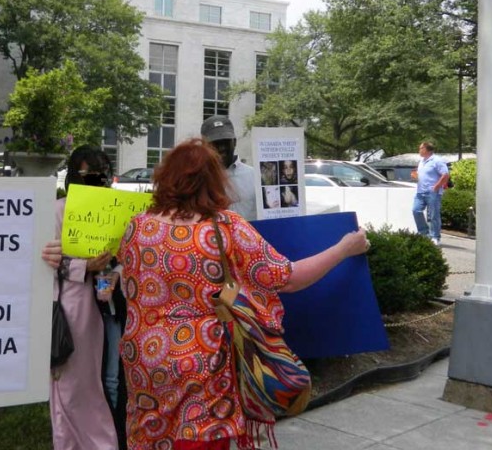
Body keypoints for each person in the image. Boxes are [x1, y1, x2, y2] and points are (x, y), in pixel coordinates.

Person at [117, 138, 368, 450]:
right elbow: (287, 278)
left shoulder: (137, 227)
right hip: (201, 361)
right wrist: (344, 249)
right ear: (214, 180)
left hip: (144, 357)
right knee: (199, 440)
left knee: (151, 437)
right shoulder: (224, 227)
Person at [39, 145, 119, 450]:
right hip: (69, 308)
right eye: (89, 176)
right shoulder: (58, 210)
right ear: (74, 177)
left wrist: (115, 272)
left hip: (106, 306)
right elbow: (44, 258)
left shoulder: (113, 210)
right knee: (69, 387)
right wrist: (85, 266)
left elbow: (125, 254)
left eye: (102, 176)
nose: (96, 182)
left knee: (100, 383)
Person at [201, 115, 258, 220]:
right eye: (216, 143)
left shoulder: (255, 176)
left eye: (226, 142)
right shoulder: (196, 181)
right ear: (204, 145)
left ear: (235, 142)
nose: (222, 148)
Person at [412, 141, 450, 246]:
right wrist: (416, 176)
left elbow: (445, 175)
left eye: (421, 148)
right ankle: (424, 234)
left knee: (434, 215)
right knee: (416, 210)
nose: (419, 150)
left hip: (432, 192)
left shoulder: (437, 161)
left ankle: (435, 237)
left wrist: (437, 186)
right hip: (420, 191)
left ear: (427, 150)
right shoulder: (421, 161)